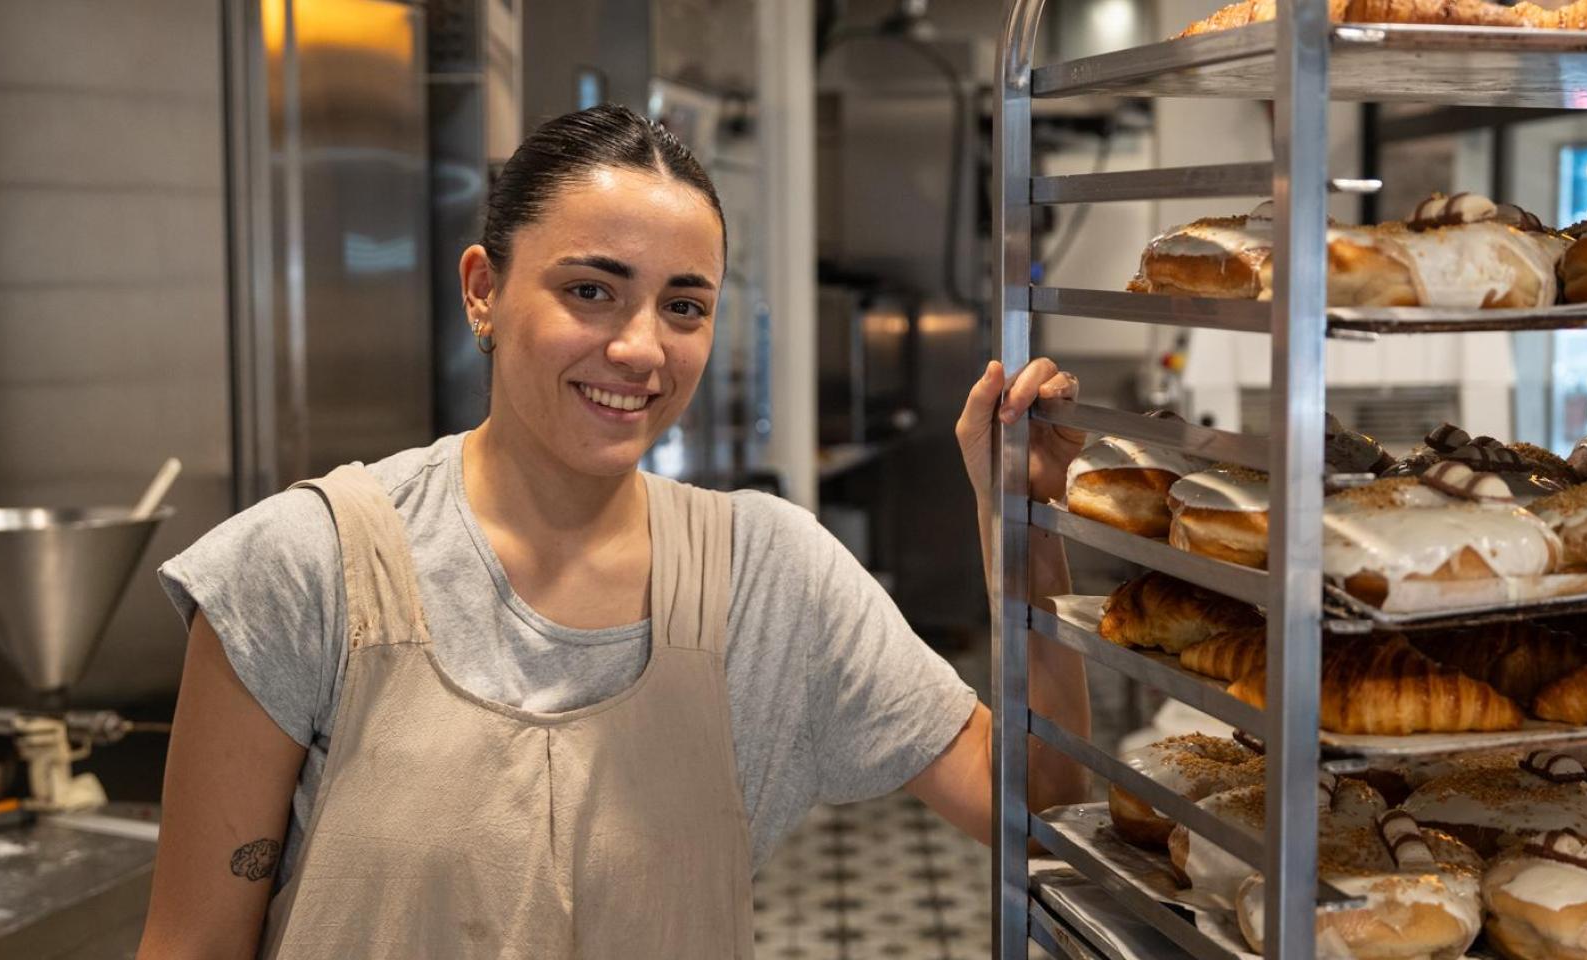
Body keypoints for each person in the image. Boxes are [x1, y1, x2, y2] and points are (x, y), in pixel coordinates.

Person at [136, 104, 1088, 959]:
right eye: (591, 290)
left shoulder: (766, 578)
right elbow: (192, 945)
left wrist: (1027, 538)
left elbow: (1041, 806)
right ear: (482, 290)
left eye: (684, 306)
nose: (640, 348)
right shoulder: (304, 567)